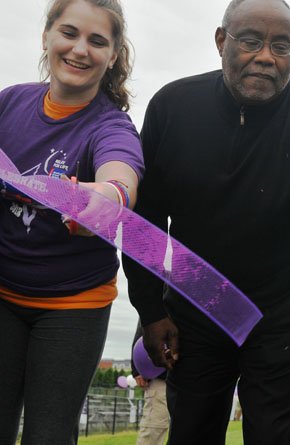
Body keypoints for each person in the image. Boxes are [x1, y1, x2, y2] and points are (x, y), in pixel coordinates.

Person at [121, 1, 290, 443]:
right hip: (197, 305)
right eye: (251, 40)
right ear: (220, 41)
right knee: (192, 430)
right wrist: (151, 311)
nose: (266, 56)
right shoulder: (172, 108)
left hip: (281, 313)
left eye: (282, 45)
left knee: (273, 434)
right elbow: (144, 222)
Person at [0, 1, 142, 443]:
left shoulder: (112, 126)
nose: (80, 49)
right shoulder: (10, 103)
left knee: (49, 434)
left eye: (97, 41)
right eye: (69, 33)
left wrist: (109, 197)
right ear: (46, 37)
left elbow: (121, 172)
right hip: (3, 293)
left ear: (113, 54)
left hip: (73, 306)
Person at [131, 322, 170, 445]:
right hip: (161, 376)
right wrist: (137, 369)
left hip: (194, 374)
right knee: (153, 430)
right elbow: (146, 325)